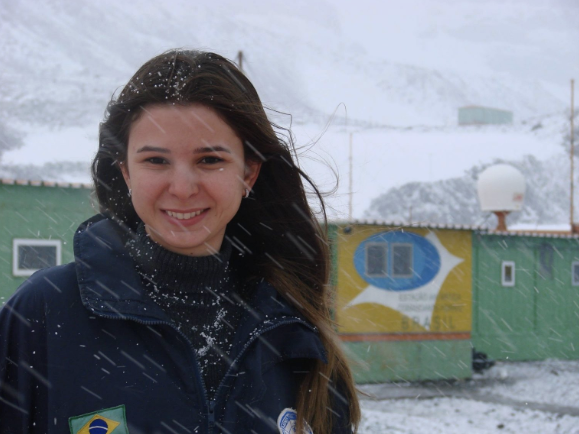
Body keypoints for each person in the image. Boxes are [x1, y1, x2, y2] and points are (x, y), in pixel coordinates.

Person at [0, 50, 360, 433]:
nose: (183, 188)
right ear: (126, 172)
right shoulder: (45, 313)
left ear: (249, 174)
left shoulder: (291, 330)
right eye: (156, 161)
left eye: (209, 160)